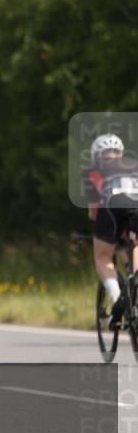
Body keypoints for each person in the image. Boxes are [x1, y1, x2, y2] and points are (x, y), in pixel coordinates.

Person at [85, 134, 138, 329]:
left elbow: (93, 211)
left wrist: (97, 229)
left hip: (112, 205)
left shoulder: (93, 169)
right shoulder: (133, 163)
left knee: (102, 255)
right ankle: (135, 284)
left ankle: (117, 297)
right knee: (133, 245)